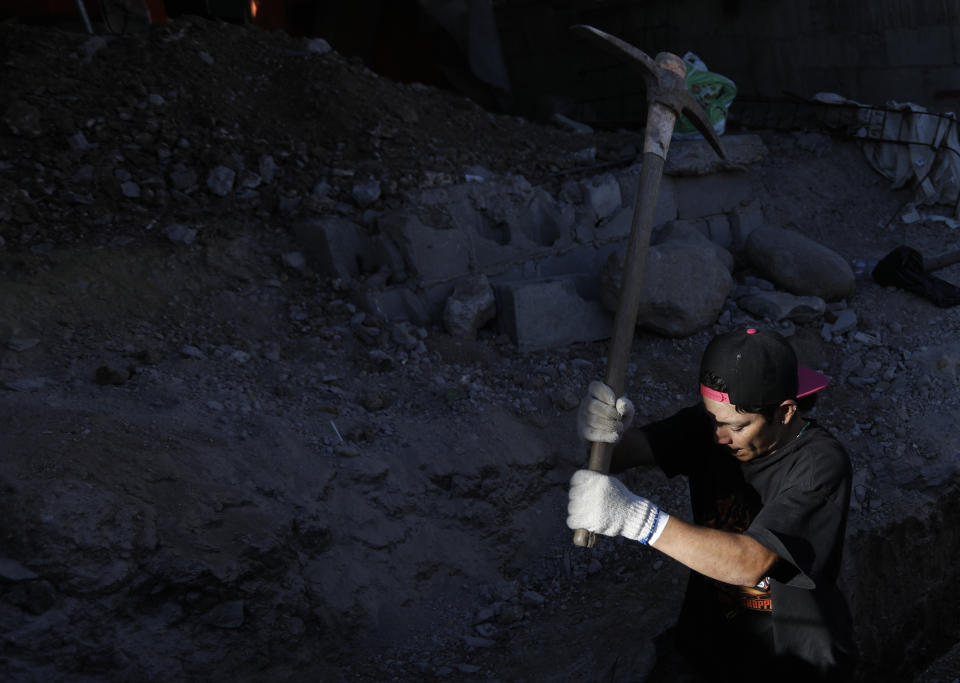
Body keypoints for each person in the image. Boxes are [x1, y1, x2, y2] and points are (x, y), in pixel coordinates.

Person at [566, 327, 856, 682]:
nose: (719, 437)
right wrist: (604, 433)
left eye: (736, 426)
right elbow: (622, 455)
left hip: (791, 662)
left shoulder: (820, 466)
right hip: (708, 646)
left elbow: (752, 562)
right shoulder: (715, 428)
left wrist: (636, 520)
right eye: (713, 419)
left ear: (784, 412)